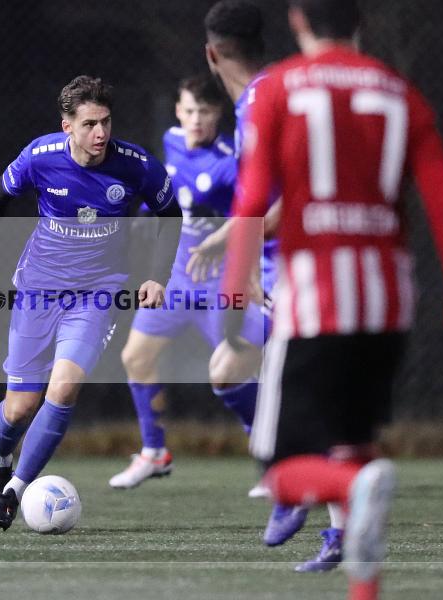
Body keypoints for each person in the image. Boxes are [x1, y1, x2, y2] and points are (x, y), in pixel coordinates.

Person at [222, 0, 443, 598]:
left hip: (315, 300)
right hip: (388, 300)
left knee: (280, 471)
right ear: (358, 20)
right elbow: (442, 203)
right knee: (355, 447)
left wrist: (235, 290)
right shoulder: (399, 91)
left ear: (298, 20)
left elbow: (253, 196)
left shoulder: (283, 87)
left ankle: (344, 492)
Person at [0, 75, 182, 531]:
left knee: (62, 388)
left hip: (98, 293)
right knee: (19, 408)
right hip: (39, 289)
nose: (101, 133)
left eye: (106, 122)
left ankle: (12, 493)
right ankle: (0, 458)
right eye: (90, 124)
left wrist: (158, 277)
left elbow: (170, 216)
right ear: (67, 126)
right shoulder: (40, 157)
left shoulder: (136, 165)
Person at [198, 0, 346, 573]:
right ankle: (290, 475)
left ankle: (328, 523)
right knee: (227, 369)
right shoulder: (260, 97)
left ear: (212, 54)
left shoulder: (264, 100)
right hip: (272, 268)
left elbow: (291, 199)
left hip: (303, 269)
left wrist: (235, 241)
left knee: (316, 402)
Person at [109, 75, 264, 489]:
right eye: (190, 110)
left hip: (220, 284)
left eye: (206, 111)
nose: (196, 119)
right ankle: (154, 452)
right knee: (136, 358)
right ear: (178, 111)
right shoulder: (172, 140)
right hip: (176, 280)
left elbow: (253, 216)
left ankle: (270, 453)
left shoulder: (230, 162)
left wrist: (248, 271)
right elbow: (168, 189)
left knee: (240, 373)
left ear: (220, 115)